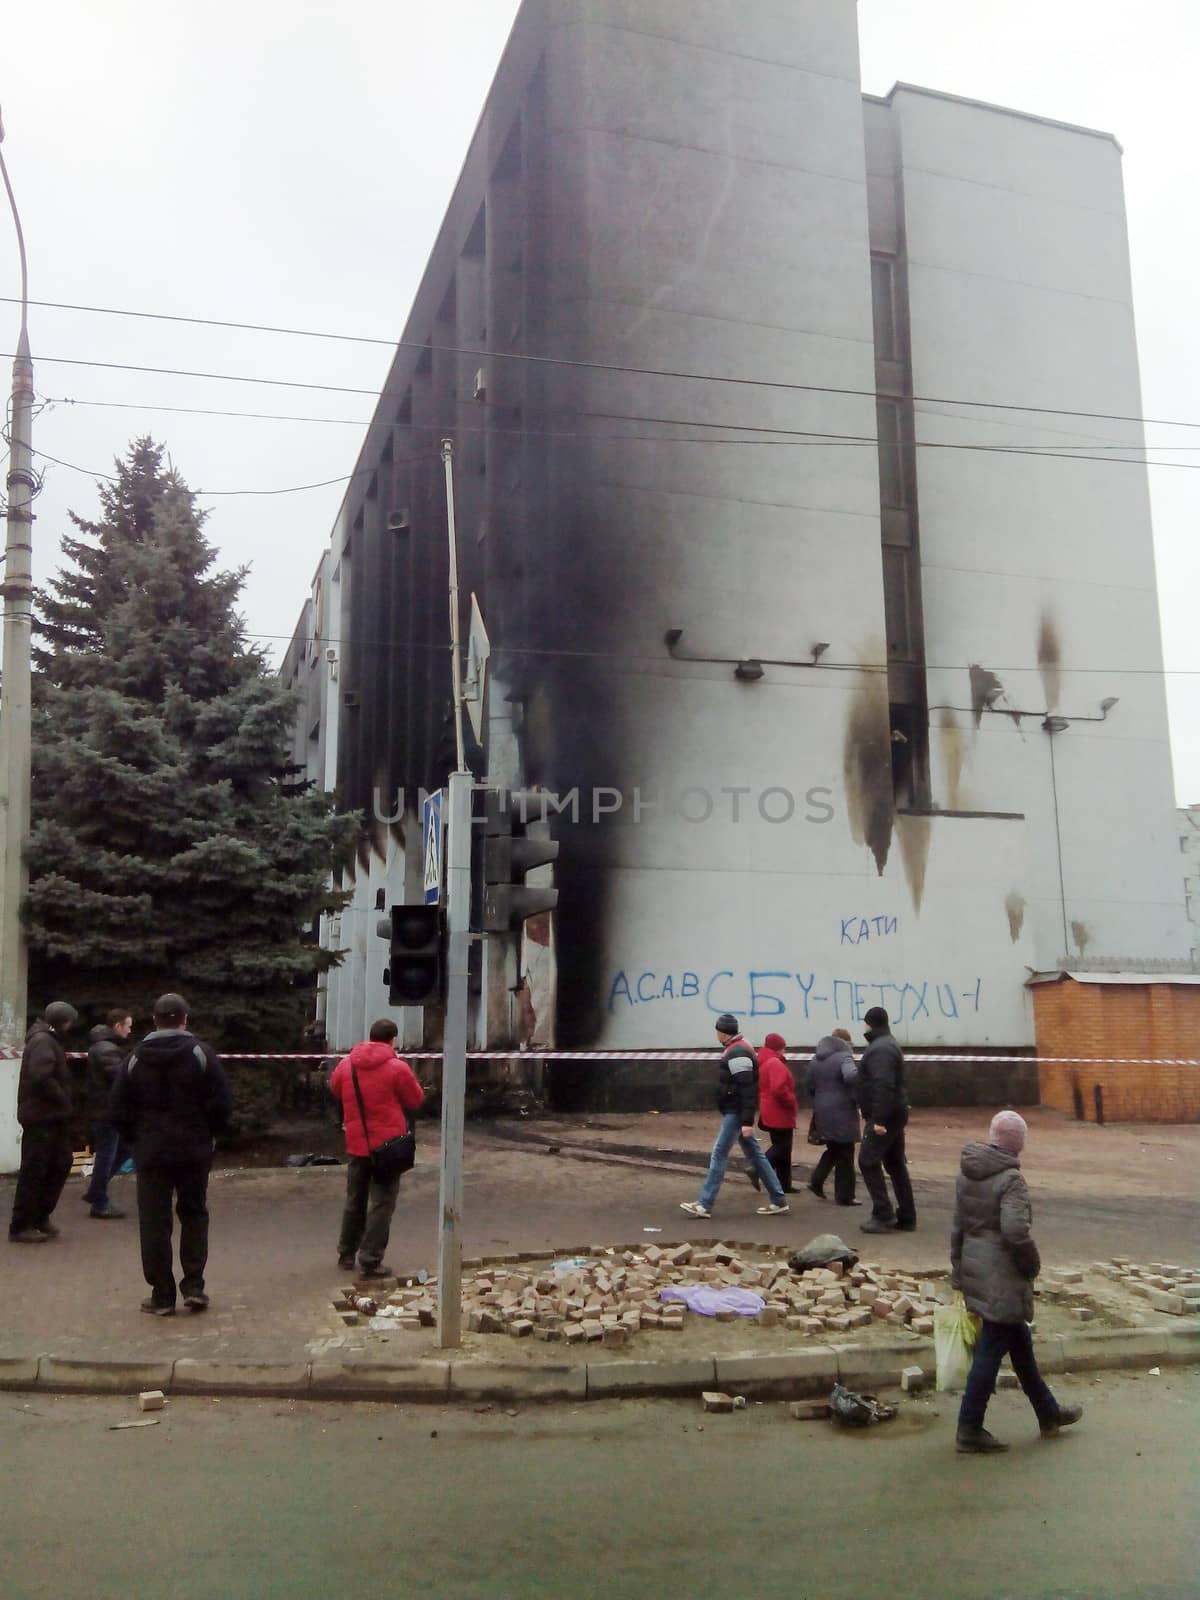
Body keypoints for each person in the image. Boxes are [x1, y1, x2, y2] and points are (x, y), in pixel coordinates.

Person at [952, 1110, 1083, 1453]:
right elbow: (1014, 1231)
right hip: (1002, 1276)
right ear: (1018, 1144)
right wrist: (1031, 1264)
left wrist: (958, 1272)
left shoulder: (967, 1173)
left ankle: (1048, 1413)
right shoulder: (1010, 1179)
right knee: (990, 1352)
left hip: (976, 1269)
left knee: (1019, 1345)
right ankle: (969, 1427)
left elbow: (958, 1227)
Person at [110, 993, 231, 1315]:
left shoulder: (134, 1058)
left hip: (151, 1153)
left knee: (154, 1222)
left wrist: (136, 1140)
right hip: (193, 1151)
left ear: (154, 1019)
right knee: (194, 1214)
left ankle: (162, 1295)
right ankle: (194, 1287)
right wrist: (210, 1135)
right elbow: (222, 1103)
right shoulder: (200, 1054)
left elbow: (118, 1108)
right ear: (185, 1019)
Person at [330, 1019, 424, 1277]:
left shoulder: (345, 1065)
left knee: (354, 1200)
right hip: (387, 1149)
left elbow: (335, 1089)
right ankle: (370, 1259)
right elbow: (415, 1099)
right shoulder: (397, 1068)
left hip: (357, 1144)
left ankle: (346, 1253)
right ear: (392, 1039)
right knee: (382, 1204)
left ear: (370, 1037)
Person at [681, 1014, 789, 1219]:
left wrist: (747, 1121)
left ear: (722, 1032)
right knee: (756, 1156)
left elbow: (746, 1088)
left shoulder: (737, 1052)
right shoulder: (740, 1048)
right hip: (738, 1111)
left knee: (719, 1153)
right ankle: (779, 1199)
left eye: (717, 1030)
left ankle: (705, 1204)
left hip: (736, 1112)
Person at [8, 1002, 79, 1244]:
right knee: (35, 1169)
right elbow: (41, 1076)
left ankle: (39, 1216)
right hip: (41, 1117)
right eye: (69, 1021)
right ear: (61, 1021)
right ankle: (21, 1225)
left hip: (49, 1116)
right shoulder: (43, 1042)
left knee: (60, 1162)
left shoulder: (46, 1040)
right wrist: (62, 1099)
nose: (71, 1025)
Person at [856, 1005, 916, 1233]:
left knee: (868, 1161)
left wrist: (878, 1119)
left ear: (870, 1023)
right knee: (895, 1163)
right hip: (894, 1113)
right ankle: (907, 1216)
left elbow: (883, 1084)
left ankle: (883, 1213)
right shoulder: (887, 1044)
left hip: (885, 1116)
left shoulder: (880, 1049)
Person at [81, 1008, 134, 1219]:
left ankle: (96, 1191)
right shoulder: (106, 1049)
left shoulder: (105, 1046)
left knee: (122, 1151)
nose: (130, 1031)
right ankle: (99, 1201)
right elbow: (121, 1077)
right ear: (118, 1026)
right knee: (107, 1155)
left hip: (107, 1110)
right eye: (128, 1026)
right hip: (107, 1112)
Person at [805, 1026, 862, 1206]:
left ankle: (816, 1181)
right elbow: (851, 1076)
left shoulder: (816, 1059)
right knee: (845, 1152)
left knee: (834, 1148)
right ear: (846, 1043)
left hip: (822, 1110)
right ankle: (845, 1196)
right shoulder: (845, 1057)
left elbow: (809, 1084)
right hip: (842, 1110)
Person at [754, 1032, 797, 1194]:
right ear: (779, 1048)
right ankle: (758, 1169)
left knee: (783, 1148)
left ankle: (784, 1183)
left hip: (769, 1110)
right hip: (779, 1111)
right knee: (783, 1147)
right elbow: (779, 1089)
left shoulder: (765, 1061)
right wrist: (790, 1101)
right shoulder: (775, 1063)